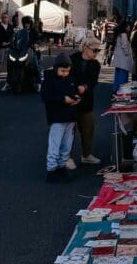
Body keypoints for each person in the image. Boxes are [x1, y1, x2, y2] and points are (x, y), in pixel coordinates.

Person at [40, 52, 80, 181]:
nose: (65, 74)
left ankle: (62, 167)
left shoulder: (70, 78)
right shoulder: (49, 79)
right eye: (62, 71)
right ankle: (51, 170)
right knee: (55, 144)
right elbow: (46, 96)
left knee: (67, 144)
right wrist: (63, 99)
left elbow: (72, 92)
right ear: (56, 68)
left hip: (70, 117)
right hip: (57, 117)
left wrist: (76, 97)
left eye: (67, 71)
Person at [70, 37, 103, 166]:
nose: (96, 53)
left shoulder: (96, 64)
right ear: (85, 48)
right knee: (69, 130)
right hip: (71, 98)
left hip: (86, 99)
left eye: (98, 50)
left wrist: (85, 87)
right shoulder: (73, 59)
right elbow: (67, 74)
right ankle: (67, 157)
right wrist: (75, 87)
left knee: (88, 128)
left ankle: (86, 154)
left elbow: (93, 81)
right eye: (94, 50)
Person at [111, 18, 133, 93]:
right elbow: (124, 46)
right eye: (128, 27)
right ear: (125, 27)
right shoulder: (123, 35)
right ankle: (121, 90)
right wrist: (127, 53)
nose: (129, 28)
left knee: (118, 74)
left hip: (119, 58)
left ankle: (116, 88)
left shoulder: (119, 34)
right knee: (123, 75)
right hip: (123, 58)